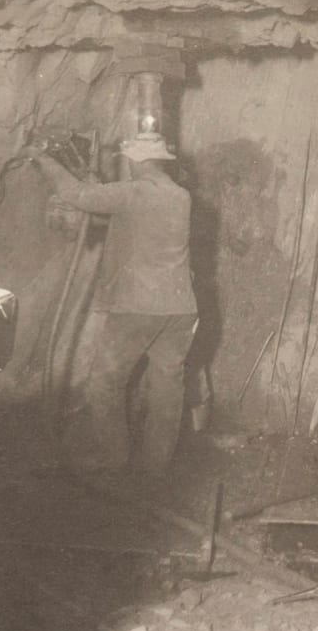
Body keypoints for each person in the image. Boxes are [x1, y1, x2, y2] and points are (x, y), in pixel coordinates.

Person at [34, 131, 198, 473]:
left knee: (104, 382)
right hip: (181, 307)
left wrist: (42, 159)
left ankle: (113, 458)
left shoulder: (132, 193)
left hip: (137, 306)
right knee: (167, 384)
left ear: (136, 161)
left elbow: (75, 194)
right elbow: (132, 225)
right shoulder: (181, 197)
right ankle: (156, 468)